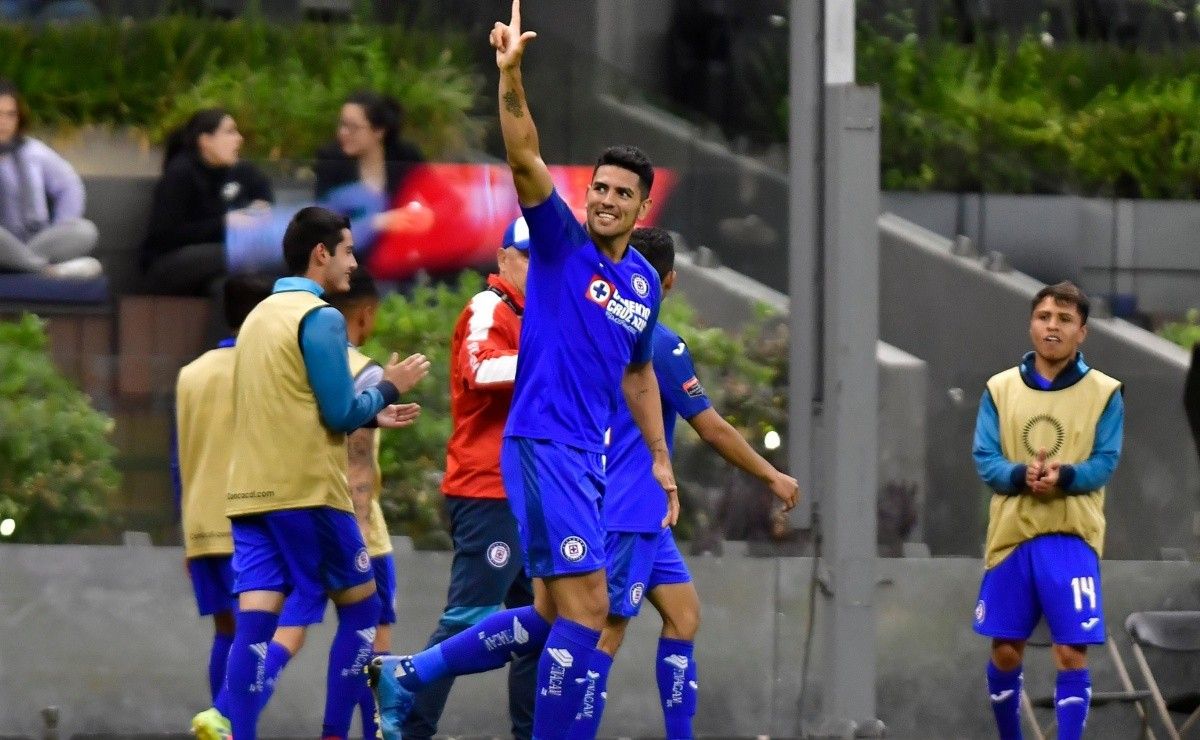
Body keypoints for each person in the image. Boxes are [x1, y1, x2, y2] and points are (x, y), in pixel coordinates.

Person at [371, 4, 678, 738]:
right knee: (591, 609)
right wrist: (510, 79)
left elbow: (638, 376)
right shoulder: (560, 243)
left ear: (639, 209)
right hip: (543, 446)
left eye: (619, 193)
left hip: (587, 459)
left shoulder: (640, 284)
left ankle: (411, 672)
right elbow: (525, 156)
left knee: (547, 614)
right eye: (598, 188)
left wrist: (661, 460)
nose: (603, 199)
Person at [191, 205, 431, 740]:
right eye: (347, 250)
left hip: (248, 496)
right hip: (308, 492)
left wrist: (372, 407)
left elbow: (299, 400)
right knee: (364, 611)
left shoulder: (257, 317)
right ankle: (333, 734)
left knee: (255, 620)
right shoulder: (319, 316)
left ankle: (234, 727)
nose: (353, 262)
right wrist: (388, 386)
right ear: (320, 254)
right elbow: (338, 413)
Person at [568, 227, 799, 739]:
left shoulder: (592, 329)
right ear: (666, 281)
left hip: (640, 511)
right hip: (628, 508)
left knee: (684, 615)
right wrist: (771, 474)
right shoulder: (660, 347)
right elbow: (711, 426)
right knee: (605, 631)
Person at [243, 269, 401, 740]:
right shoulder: (365, 371)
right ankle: (353, 733)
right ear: (366, 314)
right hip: (354, 527)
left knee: (289, 628)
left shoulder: (299, 359)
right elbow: (356, 466)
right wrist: (359, 528)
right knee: (375, 639)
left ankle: (235, 713)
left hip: (293, 508)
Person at [400, 217, 536, 740]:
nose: (535, 266)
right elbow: (480, 369)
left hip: (522, 492)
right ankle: (407, 721)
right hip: (488, 488)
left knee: (537, 627)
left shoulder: (533, 313)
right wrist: (547, 365)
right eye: (525, 256)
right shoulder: (489, 306)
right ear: (502, 259)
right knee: (469, 619)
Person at [972, 281, 1123, 740]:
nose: (1052, 327)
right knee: (1005, 651)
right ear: (1031, 324)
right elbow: (985, 459)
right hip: (1013, 536)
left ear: (1083, 332)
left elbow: (1105, 462)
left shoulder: (1104, 392)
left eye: (1064, 320)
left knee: (1071, 652)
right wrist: (1022, 476)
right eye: (1044, 318)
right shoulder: (999, 389)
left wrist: (1065, 477)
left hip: (1071, 537)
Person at [175, 273, 274, 710]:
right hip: (248, 519)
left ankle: (221, 724)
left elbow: (179, 459)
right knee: (256, 633)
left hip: (200, 522)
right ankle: (232, 723)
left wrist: (186, 534)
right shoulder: (267, 373)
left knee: (225, 631)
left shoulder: (190, 374)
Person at [141, 108, 273, 296]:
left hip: (218, 264)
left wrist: (262, 208)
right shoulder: (181, 173)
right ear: (205, 141)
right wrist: (225, 223)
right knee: (243, 253)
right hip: (169, 263)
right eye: (230, 132)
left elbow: (263, 197)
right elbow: (165, 235)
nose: (239, 138)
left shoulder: (242, 171)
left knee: (229, 287)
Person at [314, 91, 430, 266]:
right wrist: (376, 223)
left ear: (378, 131)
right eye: (342, 125)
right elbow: (322, 222)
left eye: (353, 127)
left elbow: (440, 198)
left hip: (406, 254)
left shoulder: (405, 156)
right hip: (351, 261)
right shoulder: (331, 160)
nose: (343, 133)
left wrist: (425, 213)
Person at [0, 80, 100, 278]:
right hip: (3, 240)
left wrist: (61, 224)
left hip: (36, 240)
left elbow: (69, 185)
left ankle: (22, 264)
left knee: (86, 230)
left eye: (10, 115)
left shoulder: (33, 151)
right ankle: (46, 271)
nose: (3, 122)